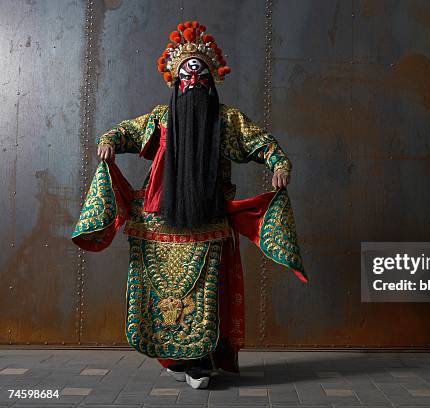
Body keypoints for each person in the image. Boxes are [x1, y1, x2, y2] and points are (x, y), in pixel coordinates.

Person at [72, 20, 307, 389]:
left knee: (203, 293)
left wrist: (280, 163)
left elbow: (261, 143)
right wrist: (109, 141)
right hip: (157, 221)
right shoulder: (160, 118)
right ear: (176, 80)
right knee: (161, 292)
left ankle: (198, 361)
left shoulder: (227, 120)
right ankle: (175, 357)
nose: (193, 79)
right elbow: (124, 132)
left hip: (207, 219)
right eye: (187, 73)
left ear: (211, 79)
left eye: (200, 73)